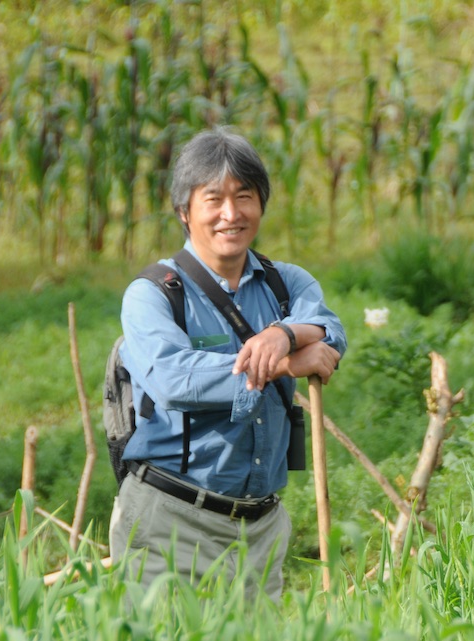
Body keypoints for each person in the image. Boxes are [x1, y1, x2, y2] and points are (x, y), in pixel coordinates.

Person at [109, 128, 346, 599]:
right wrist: (281, 365)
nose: (231, 214)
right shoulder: (152, 294)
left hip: (260, 530)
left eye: (244, 197)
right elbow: (174, 379)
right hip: (169, 522)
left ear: (261, 204)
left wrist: (283, 334)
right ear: (184, 211)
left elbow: (329, 328)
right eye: (213, 199)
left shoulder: (286, 284)